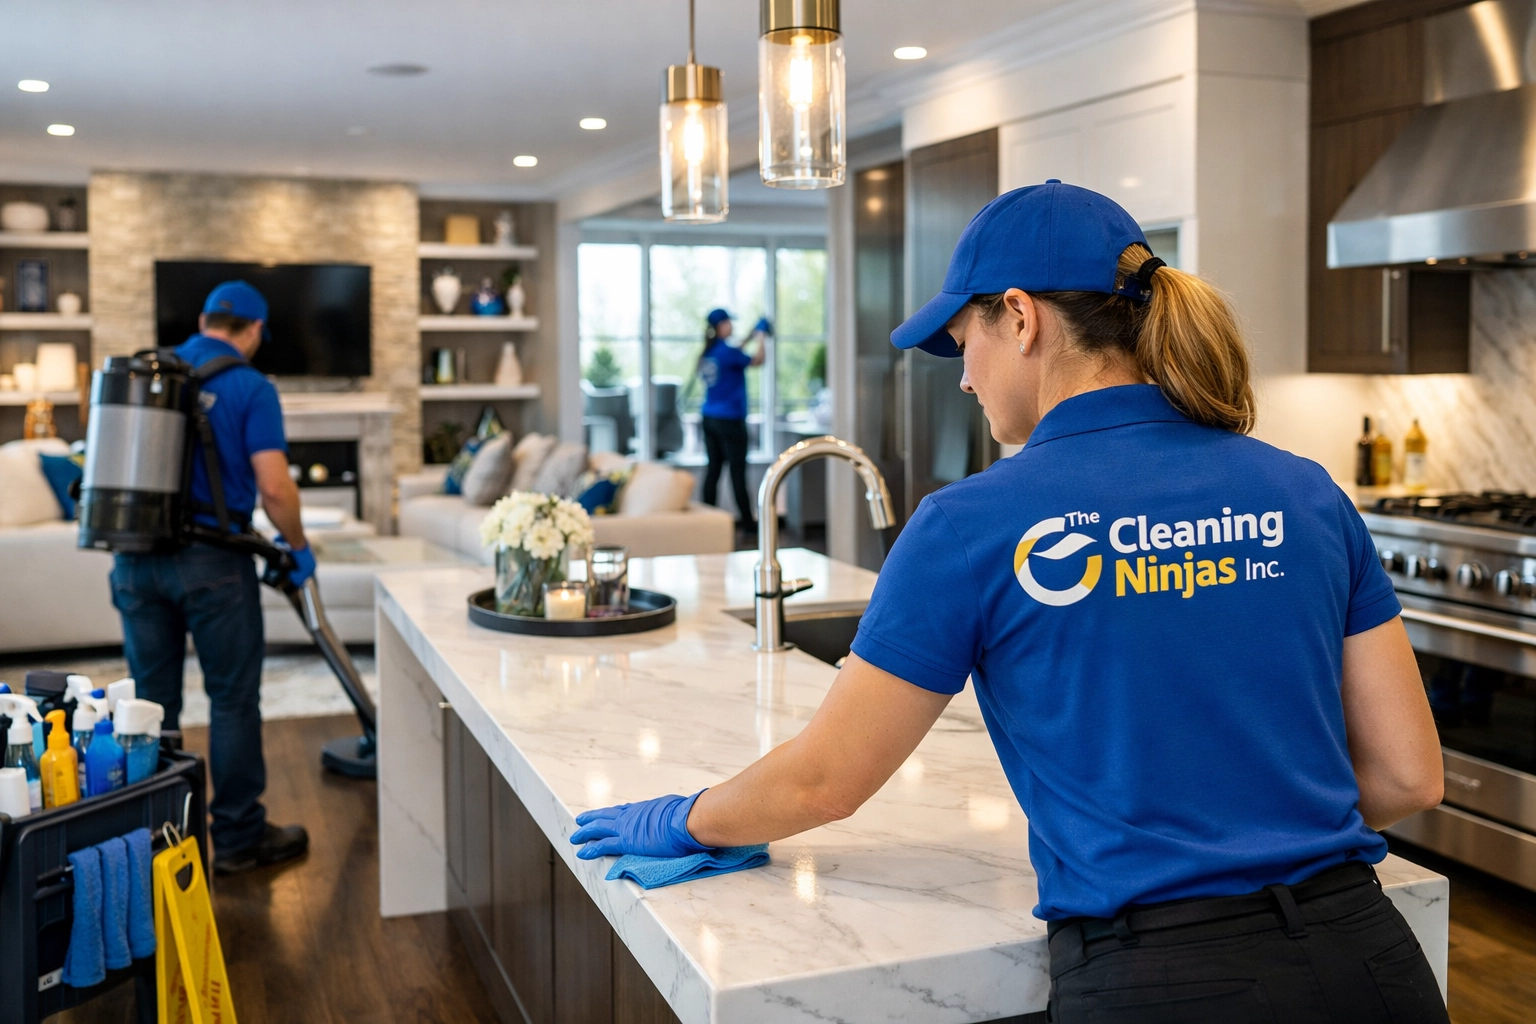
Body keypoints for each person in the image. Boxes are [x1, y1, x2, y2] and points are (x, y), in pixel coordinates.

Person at [571, 183, 1448, 1022]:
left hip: (1166, 983)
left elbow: (824, 780)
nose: (962, 379)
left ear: (1021, 317)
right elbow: (1411, 774)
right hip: (1368, 958)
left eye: (964, 342)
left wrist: (683, 817)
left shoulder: (971, 523)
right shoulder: (1306, 492)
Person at [110, 281, 314, 875]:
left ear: (203, 319)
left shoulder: (147, 376)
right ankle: (239, 839)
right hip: (214, 566)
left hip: (135, 561)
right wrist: (297, 547)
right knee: (230, 699)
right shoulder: (251, 385)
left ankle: (152, 840)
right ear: (252, 331)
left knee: (151, 705)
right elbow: (274, 487)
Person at [697, 308, 768, 533]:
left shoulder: (709, 352)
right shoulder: (728, 353)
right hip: (730, 421)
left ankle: (707, 521)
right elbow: (758, 360)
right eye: (729, 323)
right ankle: (749, 526)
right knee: (737, 473)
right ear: (721, 326)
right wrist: (761, 338)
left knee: (714, 471)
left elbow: (735, 350)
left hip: (709, 418)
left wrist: (750, 335)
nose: (732, 327)